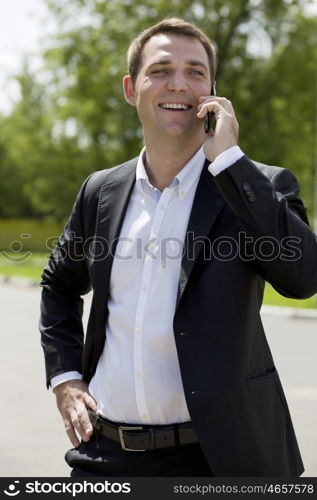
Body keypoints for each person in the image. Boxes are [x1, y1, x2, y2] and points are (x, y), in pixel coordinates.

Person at [40, 17, 317, 477]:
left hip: (219, 460)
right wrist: (66, 380)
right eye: (161, 70)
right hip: (106, 455)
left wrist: (229, 160)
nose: (179, 84)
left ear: (212, 92)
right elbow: (58, 285)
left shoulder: (257, 186)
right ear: (132, 89)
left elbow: (304, 278)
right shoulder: (100, 191)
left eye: (195, 72)